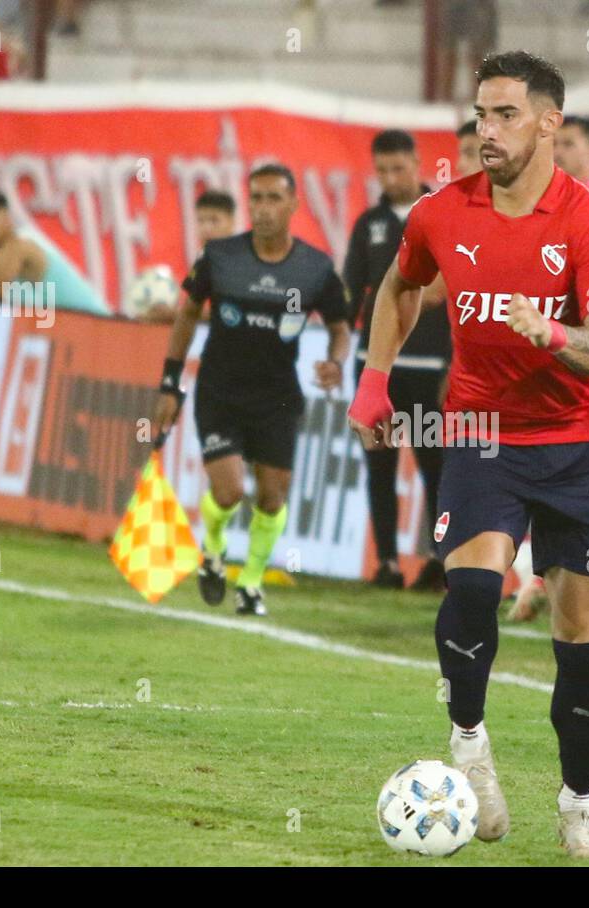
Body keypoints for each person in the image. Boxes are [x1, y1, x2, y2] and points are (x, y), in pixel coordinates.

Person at [348, 51, 589, 861]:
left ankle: (578, 805)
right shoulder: (441, 213)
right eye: (480, 115)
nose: (487, 131)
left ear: (550, 123)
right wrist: (375, 379)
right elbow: (400, 287)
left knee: (581, 630)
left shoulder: (587, 225)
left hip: (582, 444)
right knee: (472, 588)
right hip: (481, 430)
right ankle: (469, 745)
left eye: (505, 115)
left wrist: (555, 334)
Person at [153, 164, 350, 617]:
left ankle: (253, 583)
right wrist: (169, 382)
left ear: (293, 204)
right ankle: (215, 546)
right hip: (220, 392)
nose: (263, 209)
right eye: (256, 198)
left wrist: (336, 363)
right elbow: (186, 314)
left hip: (278, 397)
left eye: (273, 199)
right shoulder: (220, 256)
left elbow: (340, 328)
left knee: (272, 496)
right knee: (228, 493)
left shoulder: (316, 269)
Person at [345, 130, 450, 591]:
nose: (390, 178)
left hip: (429, 367)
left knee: (435, 468)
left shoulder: (444, 214)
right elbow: (351, 291)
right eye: (382, 170)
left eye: (398, 168)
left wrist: (454, 361)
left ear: (417, 162)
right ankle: (386, 562)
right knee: (380, 466)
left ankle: (439, 561)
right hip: (377, 366)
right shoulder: (368, 224)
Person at [139, 190, 237, 325]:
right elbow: (189, 306)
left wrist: (172, 315)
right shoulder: (202, 263)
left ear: (232, 222)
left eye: (214, 220)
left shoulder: (241, 263)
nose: (206, 228)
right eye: (201, 221)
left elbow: (231, 316)